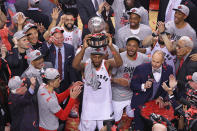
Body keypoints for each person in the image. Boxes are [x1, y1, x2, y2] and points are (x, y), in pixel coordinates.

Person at [72, 33, 123, 131]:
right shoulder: (86, 65)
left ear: (103, 56)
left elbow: (119, 63)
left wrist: (111, 46)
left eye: (99, 57)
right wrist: (83, 48)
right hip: (88, 110)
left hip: (105, 109)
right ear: (90, 56)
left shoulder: (106, 64)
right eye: (94, 57)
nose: (96, 59)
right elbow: (75, 65)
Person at [130, 50, 173, 130]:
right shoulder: (140, 68)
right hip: (140, 104)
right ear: (151, 58)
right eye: (153, 61)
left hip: (156, 106)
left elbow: (167, 87)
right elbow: (132, 85)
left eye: (157, 62)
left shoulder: (169, 69)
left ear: (163, 61)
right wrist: (143, 86)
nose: (154, 64)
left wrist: (161, 97)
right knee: (140, 128)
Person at [111, 36, 150, 124]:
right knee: (116, 120)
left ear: (138, 48)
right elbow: (110, 77)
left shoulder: (144, 58)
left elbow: (151, 70)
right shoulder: (119, 57)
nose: (131, 48)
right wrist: (117, 80)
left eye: (134, 46)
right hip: (118, 94)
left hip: (134, 94)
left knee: (134, 117)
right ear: (126, 46)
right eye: (129, 45)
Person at [41, 26, 78, 92]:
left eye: (61, 37)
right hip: (51, 82)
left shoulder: (70, 48)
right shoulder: (48, 47)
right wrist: (49, 43)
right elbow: (42, 55)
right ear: (52, 38)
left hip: (65, 81)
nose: (60, 40)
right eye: (57, 38)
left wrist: (73, 81)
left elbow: (71, 67)